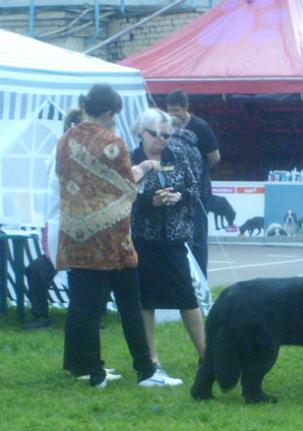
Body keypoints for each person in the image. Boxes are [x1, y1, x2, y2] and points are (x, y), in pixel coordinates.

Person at [57, 84, 180, 388]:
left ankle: (90, 370)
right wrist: (145, 167)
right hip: (111, 239)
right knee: (129, 302)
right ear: (110, 113)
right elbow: (126, 186)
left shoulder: (65, 139)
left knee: (83, 306)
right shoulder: (112, 143)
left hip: (75, 234)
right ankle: (146, 370)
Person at [131, 108, 205, 381]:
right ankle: (152, 360)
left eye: (166, 135)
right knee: (146, 300)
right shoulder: (131, 158)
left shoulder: (178, 155)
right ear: (141, 131)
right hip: (144, 239)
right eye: (155, 135)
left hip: (174, 238)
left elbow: (195, 188)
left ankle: (206, 355)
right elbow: (123, 194)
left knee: (187, 297)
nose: (161, 141)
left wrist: (178, 197)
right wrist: (152, 200)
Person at [23, 109, 84, 330]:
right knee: (37, 269)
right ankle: (41, 315)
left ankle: (93, 315)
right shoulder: (59, 151)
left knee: (92, 270)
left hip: (83, 224)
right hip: (60, 224)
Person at [166, 90, 220, 277]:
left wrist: (199, 171)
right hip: (178, 191)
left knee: (198, 238)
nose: (173, 115)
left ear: (186, 107)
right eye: (170, 111)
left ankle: (201, 279)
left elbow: (214, 157)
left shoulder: (201, 127)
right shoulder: (167, 127)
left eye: (177, 110)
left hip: (200, 191)